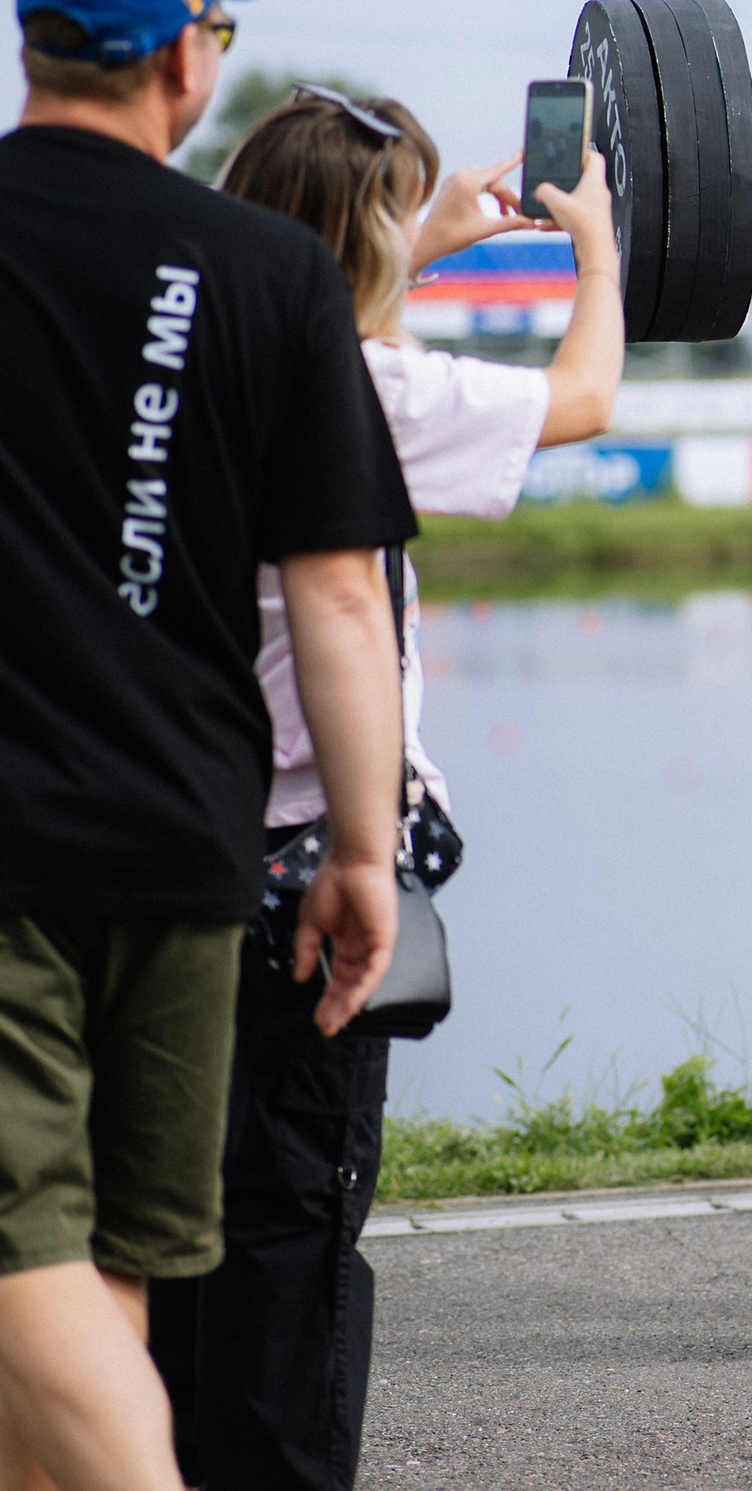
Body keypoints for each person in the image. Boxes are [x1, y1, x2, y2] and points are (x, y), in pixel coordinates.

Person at [146, 91, 624, 1490]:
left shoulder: (175, 371)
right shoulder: (369, 387)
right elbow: (586, 399)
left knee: (172, 1220)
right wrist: (592, 247)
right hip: (309, 871)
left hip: (168, 848)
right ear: (361, 237)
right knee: (297, 1225)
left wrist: (416, 244)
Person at [0, 0, 415, 1491]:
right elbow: (337, 595)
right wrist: (362, 853)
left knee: (42, 1254)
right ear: (184, 57)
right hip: (189, 835)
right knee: (104, 1258)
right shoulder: (265, 273)